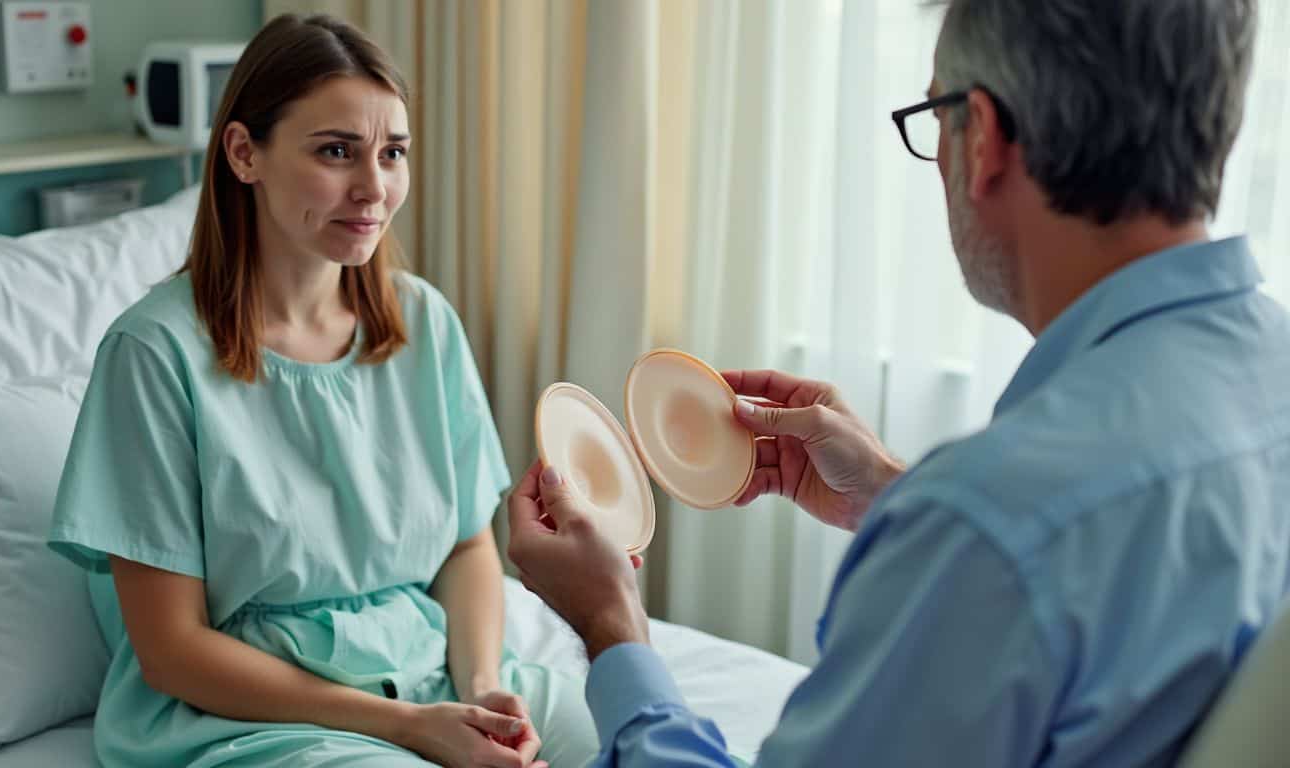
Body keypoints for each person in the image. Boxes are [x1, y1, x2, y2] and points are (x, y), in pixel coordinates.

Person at [508, 0, 1290, 765]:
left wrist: (611, 625)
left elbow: (1025, 540)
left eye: (934, 117)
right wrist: (888, 494)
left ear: (980, 138)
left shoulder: (991, 523)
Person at [48, 14, 597, 768]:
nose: (374, 187)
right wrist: (403, 728)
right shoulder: (154, 354)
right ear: (245, 153)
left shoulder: (422, 322)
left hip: (430, 675)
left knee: (633, 740)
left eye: (393, 153)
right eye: (336, 151)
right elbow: (172, 653)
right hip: (254, 714)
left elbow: (468, 545)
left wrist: (479, 686)